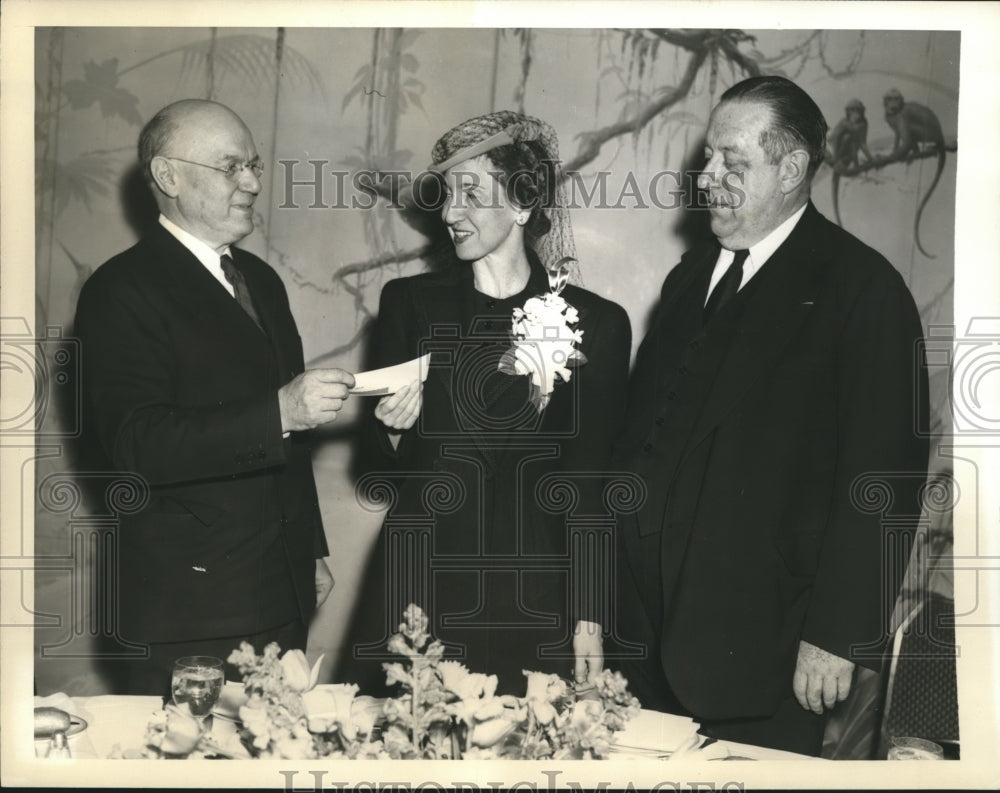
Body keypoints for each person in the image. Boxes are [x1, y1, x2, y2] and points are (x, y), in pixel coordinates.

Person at [612, 76, 929, 755]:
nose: (708, 177)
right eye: (707, 158)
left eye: (733, 161)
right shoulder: (687, 277)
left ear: (791, 169)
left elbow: (885, 478)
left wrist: (838, 635)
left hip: (765, 654)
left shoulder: (862, 289)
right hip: (640, 645)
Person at [341, 111, 631, 695]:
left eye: (471, 193)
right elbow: (379, 463)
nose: (450, 214)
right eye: (447, 196)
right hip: (422, 588)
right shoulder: (408, 305)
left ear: (523, 205)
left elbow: (591, 483)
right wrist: (394, 430)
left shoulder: (597, 323)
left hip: (539, 592)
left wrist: (590, 613)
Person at [74, 99, 357, 694]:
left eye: (253, 165)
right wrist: (279, 410)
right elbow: (135, 443)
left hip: (279, 592)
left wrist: (309, 549)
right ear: (168, 176)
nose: (253, 182)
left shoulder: (262, 279)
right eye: (231, 167)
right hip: (188, 611)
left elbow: (292, 440)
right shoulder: (119, 289)